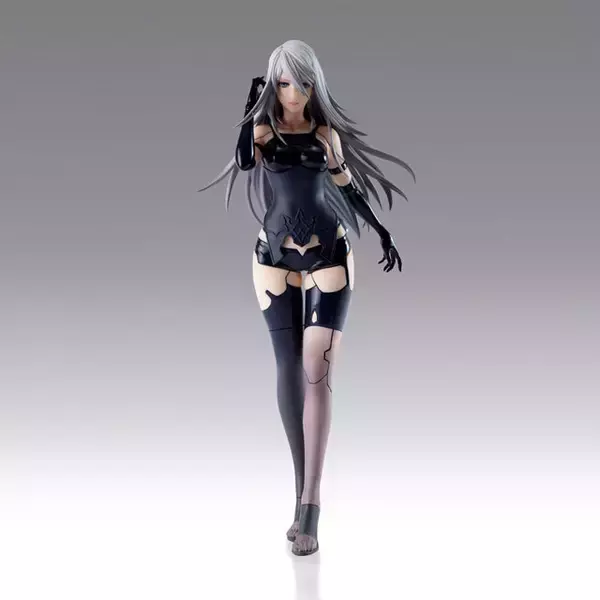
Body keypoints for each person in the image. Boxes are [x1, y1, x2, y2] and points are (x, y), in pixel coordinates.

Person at [198, 39, 415, 556]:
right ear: (272, 86)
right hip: (272, 258)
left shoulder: (325, 135)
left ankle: (311, 506)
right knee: (287, 368)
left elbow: (348, 187)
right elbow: (244, 163)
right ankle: (299, 494)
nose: (293, 92)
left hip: (328, 256)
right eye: (283, 82)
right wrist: (248, 106)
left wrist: (381, 230)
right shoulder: (262, 133)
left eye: (301, 82)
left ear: (314, 85)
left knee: (318, 372)